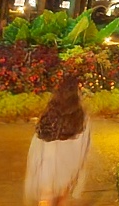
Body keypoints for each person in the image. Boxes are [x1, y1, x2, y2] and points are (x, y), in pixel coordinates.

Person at [24, 73, 92, 206]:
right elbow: (84, 145)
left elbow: (39, 138)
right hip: (67, 164)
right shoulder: (80, 116)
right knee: (62, 196)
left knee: (46, 197)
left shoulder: (50, 112)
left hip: (47, 164)